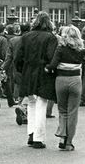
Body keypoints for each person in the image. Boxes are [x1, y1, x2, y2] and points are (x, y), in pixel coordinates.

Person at [16, 12, 58, 149]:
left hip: (28, 71)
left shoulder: (26, 36)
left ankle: (31, 133)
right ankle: (38, 138)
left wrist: (22, 70)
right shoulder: (50, 37)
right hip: (43, 72)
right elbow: (52, 57)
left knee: (32, 104)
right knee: (41, 104)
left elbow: (18, 57)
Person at [47, 25, 84, 151]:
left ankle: (62, 137)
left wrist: (47, 68)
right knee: (73, 112)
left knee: (62, 111)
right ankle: (69, 142)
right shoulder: (81, 49)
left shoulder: (61, 48)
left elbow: (52, 65)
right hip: (75, 81)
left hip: (61, 80)